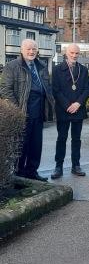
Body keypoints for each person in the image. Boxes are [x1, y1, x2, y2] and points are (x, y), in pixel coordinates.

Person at [0, 39, 54, 181]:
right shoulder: (12, 66)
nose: (31, 52)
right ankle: (18, 175)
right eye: (28, 49)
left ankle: (32, 172)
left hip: (39, 112)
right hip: (22, 112)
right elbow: (5, 89)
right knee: (21, 146)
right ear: (22, 50)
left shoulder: (41, 66)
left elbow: (47, 88)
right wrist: (17, 110)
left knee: (36, 145)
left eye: (34, 49)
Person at [51, 44, 89, 179]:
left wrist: (78, 103)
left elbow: (87, 89)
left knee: (76, 139)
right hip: (63, 109)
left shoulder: (83, 70)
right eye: (72, 53)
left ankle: (76, 165)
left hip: (78, 109)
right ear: (66, 53)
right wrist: (68, 105)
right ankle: (58, 166)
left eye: (77, 53)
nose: (74, 55)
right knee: (61, 138)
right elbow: (55, 90)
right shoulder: (56, 70)